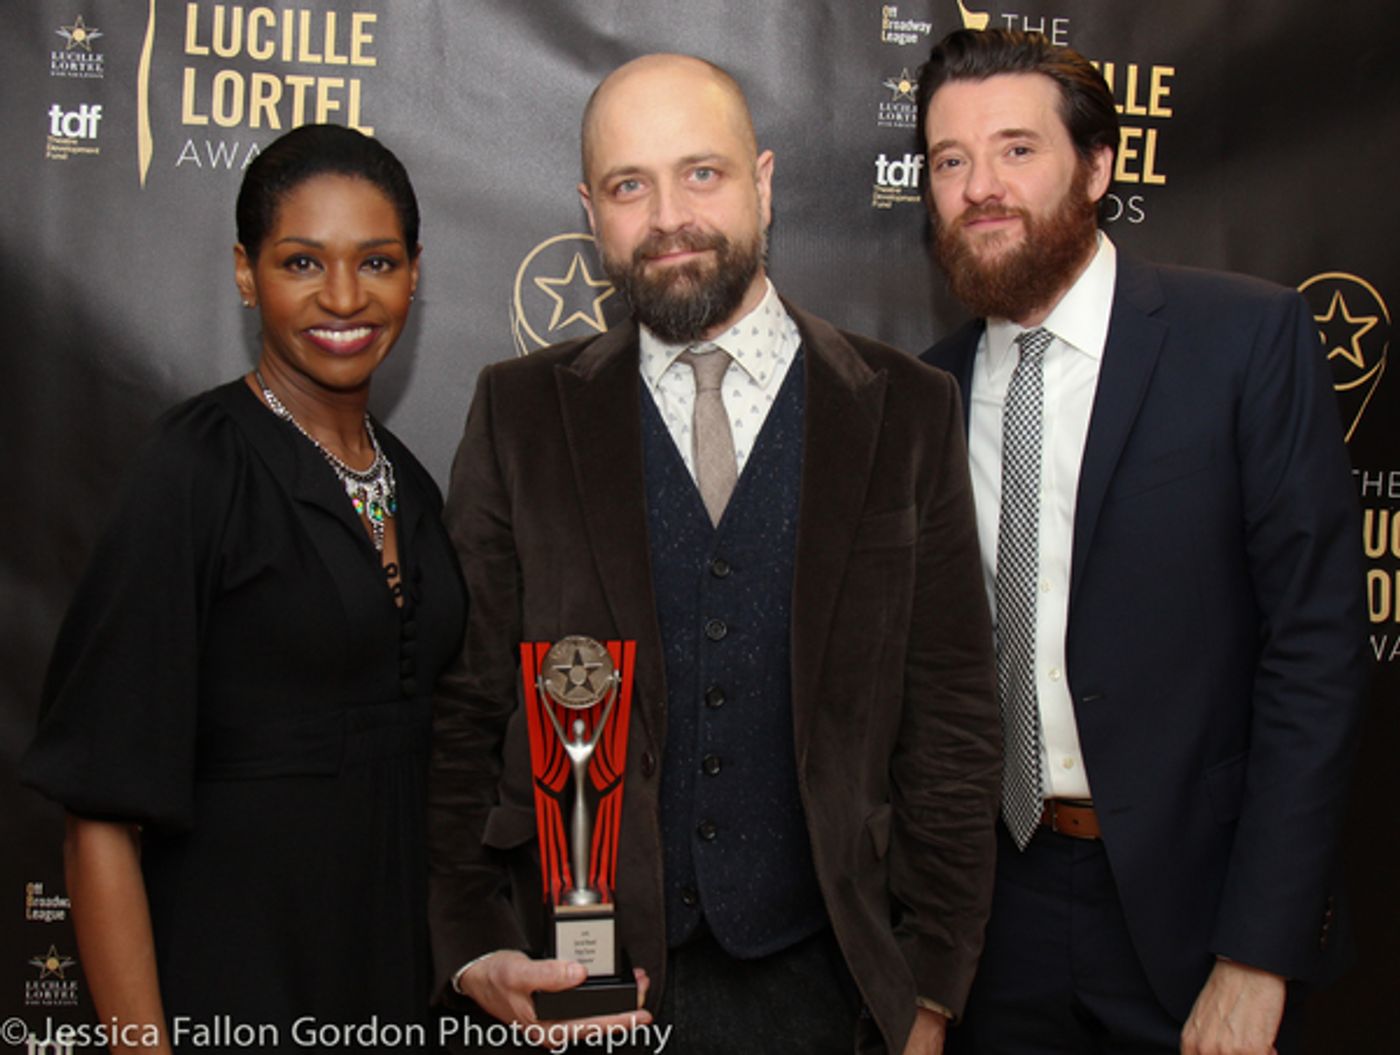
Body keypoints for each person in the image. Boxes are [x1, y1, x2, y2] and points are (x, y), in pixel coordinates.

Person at [428, 53, 1000, 1054]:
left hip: (835, 989)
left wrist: (931, 989)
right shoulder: (519, 414)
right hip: (587, 986)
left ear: (764, 184)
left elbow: (949, 719)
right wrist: (478, 943)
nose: (667, 216)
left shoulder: (904, 410)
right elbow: (463, 707)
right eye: (626, 185)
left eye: (701, 173)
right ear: (588, 210)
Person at [916, 28, 1367, 1055]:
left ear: (1096, 166)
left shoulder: (1242, 340)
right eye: (950, 160)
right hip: (990, 918)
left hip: (1192, 911)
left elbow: (1314, 651)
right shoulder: (918, 393)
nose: (980, 185)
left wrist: (1258, 952)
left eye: (1015, 149)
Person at [21, 124, 466, 1053]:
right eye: (302, 261)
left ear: (414, 275)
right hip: (231, 985)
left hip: (389, 994)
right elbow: (100, 810)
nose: (344, 297)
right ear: (243, 272)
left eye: (376, 261)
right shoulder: (193, 466)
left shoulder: (414, 491)